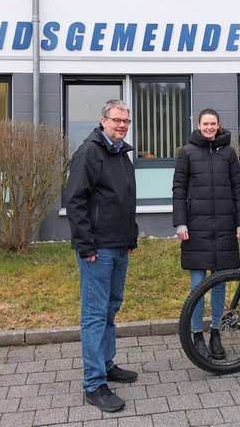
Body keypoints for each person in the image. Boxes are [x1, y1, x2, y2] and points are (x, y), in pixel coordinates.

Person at [65, 99, 139, 413]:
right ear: (103, 120)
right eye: (116, 120)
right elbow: (75, 202)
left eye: (126, 121)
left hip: (119, 245)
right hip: (97, 250)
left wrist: (130, 236)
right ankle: (94, 383)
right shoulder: (89, 153)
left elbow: (123, 200)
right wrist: (86, 246)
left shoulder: (121, 154)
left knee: (111, 308)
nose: (121, 125)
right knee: (95, 315)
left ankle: (107, 365)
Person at [172, 108, 240, 359]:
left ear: (218, 125)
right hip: (196, 229)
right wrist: (180, 223)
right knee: (197, 286)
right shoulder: (187, 153)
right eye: (205, 123)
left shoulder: (228, 153)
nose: (209, 127)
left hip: (225, 227)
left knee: (220, 284)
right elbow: (178, 190)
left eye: (213, 123)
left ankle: (215, 332)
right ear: (198, 124)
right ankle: (196, 334)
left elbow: (239, 188)